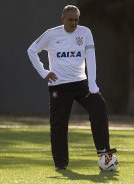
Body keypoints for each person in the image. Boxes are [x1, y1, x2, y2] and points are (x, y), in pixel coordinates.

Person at [27, 5, 117, 170]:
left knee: (99, 106)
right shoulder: (51, 34)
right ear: (62, 19)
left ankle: (104, 153)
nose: (74, 22)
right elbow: (31, 50)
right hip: (59, 86)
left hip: (81, 84)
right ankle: (61, 164)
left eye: (76, 19)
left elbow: (91, 57)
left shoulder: (85, 32)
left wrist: (92, 83)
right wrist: (44, 72)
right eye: (70, 19)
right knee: (59, 125)